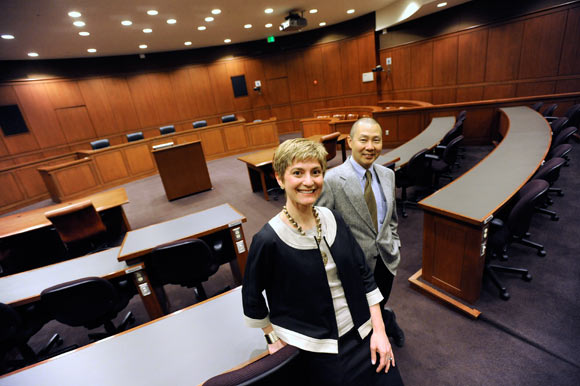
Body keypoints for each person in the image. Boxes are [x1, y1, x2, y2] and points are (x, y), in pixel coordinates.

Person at [242, 138, 403, 386]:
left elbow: (365, 277)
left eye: (315, 172)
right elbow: (252, 297)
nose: (309, 181)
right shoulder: (267, 239)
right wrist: (272, 337)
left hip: (362, 330)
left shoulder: (333, 218)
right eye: (298, 173)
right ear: (280, 178)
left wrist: (379, 332)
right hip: (315, 346)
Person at [316, 117, 405, 347]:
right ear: (350, 141)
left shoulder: (387, 175)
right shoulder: (331, 180)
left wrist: (394, 243)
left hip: (386, 259)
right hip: (355, 267)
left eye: (376, 140)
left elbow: (391, 218)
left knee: (380, 304)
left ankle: (387, 319)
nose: (370, 146)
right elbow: (322, 227)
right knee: (360, 314)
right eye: (363, 140)